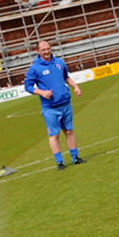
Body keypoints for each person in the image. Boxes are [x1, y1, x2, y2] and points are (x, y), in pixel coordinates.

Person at [23, 39, 85, 169]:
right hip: (50, 108)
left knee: (69, 131)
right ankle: (60, 162)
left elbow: (65, 77)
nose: (46, 51)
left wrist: (75, 86)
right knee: (54, 134)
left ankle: (75, 157)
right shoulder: (34, 68)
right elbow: (28, 86)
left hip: (65, 103)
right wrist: (41, 92)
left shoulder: (59, 62)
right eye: (43, 50)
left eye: (48, 48)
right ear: (38, 51)